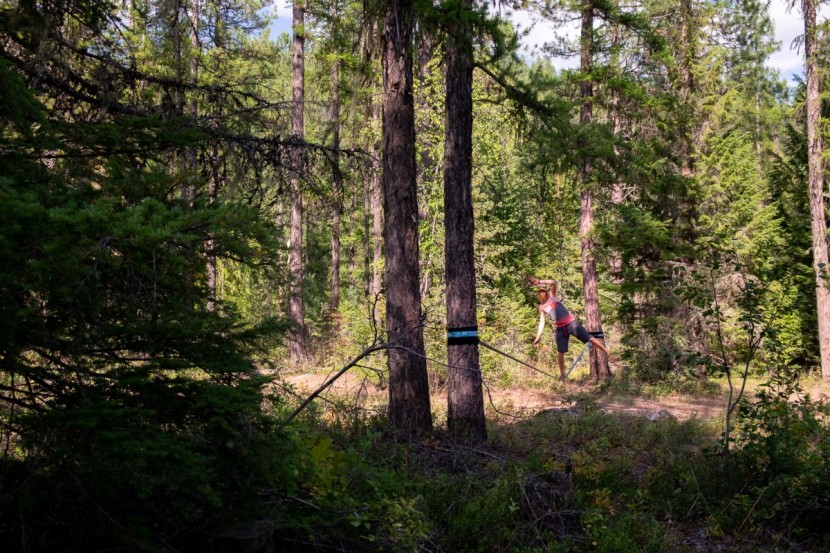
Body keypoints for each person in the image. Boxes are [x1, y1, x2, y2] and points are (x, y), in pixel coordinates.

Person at [529, 276, 609, 380]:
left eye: (544, 291)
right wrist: (538, 337)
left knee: (589, 337)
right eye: (540, 292)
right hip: (560, 328)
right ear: (538, 294)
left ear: (546, 292)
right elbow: (542, 322)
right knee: (560, 351)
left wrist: (539, 281)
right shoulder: (542, 307)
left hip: (571, 323)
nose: (542, 293)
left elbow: (554, 282)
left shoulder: (553, 296)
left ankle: (607, 351)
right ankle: (563, 375)